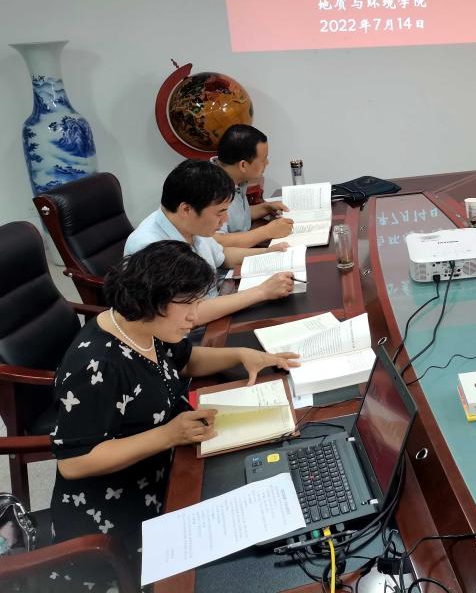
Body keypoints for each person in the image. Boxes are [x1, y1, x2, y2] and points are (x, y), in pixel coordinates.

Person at [49, 241, 300, 583]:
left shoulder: (146, 325)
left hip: (173, 458)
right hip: (122, 506)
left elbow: (185, 360)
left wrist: (242, 355)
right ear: (154, 299)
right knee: (250, 557)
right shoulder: (97, 366)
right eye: (189, 305)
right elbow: (74, 462)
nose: (196, 316)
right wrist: (168, 435)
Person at [124, 159, 294, 324]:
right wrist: (262, 291)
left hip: (217, 302)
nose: (225, 220)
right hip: (188, 331)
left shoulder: (188, 223)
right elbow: (189, 315)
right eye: (220, 212)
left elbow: (222, 255)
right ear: (186, 209)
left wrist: (267, 253)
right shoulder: (150, 247)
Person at [213, 124, 295, 248]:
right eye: (263, 159)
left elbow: (237, 219)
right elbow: (217, 241)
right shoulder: (211, 189)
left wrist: (267, 208)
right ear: (243, 165)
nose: (267, 163)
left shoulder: (236, 177)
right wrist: (267, 232)